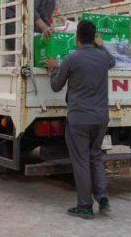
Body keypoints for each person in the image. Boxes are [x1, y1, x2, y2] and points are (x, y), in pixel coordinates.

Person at [47, 20, 115, 219]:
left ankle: (85, 206)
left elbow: (56, 86)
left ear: (76, 38)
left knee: (81, 161)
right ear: (94, 38)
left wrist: (53, 68)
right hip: (101, 118)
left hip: (79, 119)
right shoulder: (103, 57)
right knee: (95, 156)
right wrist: (101, 45)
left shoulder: (71, 59)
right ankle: (102, 198)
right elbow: (113, 61)